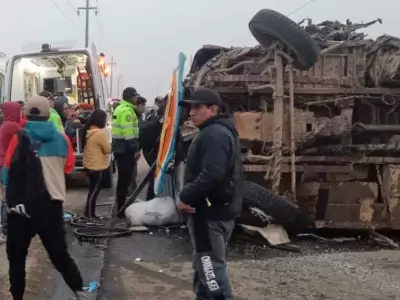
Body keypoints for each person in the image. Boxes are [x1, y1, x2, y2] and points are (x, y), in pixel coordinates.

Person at [2, 96, 86, 300]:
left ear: (26, 114)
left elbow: (5, 174)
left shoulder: (18, 138)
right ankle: (79, 291)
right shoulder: (62, 138)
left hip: (21, 209)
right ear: (49, 114)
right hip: (51, 206)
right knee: (60, 255)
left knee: (17, 260)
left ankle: (17, 297)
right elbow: (68, 168)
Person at [178, 87, 244, 300]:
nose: (191, 112)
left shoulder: (214, 134)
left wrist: (186, 196)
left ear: (213, 109)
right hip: (213, 210)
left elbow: (212, 174)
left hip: (209, 213)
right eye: (190, 107)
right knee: (203, 264)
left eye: (197, 107)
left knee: (211, 268)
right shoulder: (219, 131)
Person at [112, 87, 140, 217]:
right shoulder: (127, 111)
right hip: (125, 150)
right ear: (132, 97)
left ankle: (120, 206)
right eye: (136, 96)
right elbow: (129, 133)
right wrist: (136, 149)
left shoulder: (119, 108)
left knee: (123, 180)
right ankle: (121, 208)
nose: (136, 99)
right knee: (125, 180)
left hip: (119, 149)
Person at [82, 110, 111, 219]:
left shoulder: (89, 131)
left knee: (92, 191)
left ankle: (90, 213)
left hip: (89, 165)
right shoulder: (99, 133)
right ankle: (89, 215)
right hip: (97, 166)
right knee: (94, 192)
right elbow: (107, 149)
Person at [0, 102, 23, 237]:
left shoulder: (4, 125)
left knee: (6, 196)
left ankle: (5, 225)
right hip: (8, 165)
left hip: (3, 164)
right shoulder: (12, 126)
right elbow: (25, 138)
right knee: (9, 197)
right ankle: (6, 226)